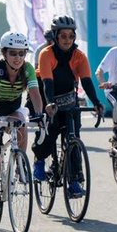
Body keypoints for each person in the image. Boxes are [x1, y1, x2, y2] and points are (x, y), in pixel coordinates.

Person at [0, 30, 44, 223]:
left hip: (13, 108)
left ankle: (19, 164)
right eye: (13, 53)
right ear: (4, 53)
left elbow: (34, 94)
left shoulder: (28, 69)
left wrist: (39, 114)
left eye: (21, 53)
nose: (18, 58)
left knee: (22, 125)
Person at [33, 15, 102, 197]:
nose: (67, 40)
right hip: (47, 94)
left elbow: (87, 82)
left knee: (73, 139)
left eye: (71, 36)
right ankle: (39, 160)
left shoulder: (79, 56)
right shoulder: (46, 54)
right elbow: (47, 83)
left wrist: (96, 103)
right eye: (63, 36)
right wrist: (49, 103)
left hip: (69, 98)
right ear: (55, 36)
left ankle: (74, 181)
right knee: (50, 133)